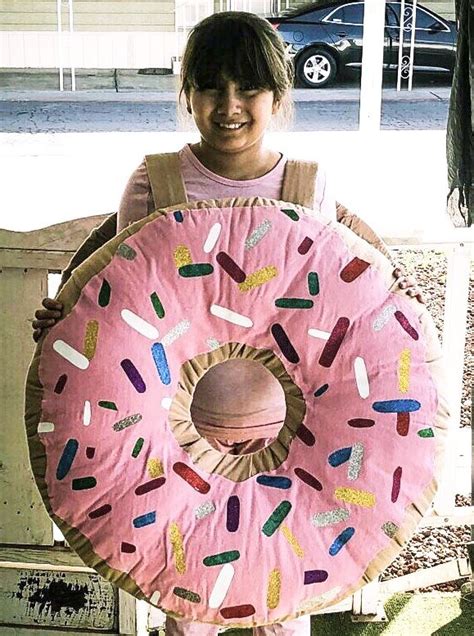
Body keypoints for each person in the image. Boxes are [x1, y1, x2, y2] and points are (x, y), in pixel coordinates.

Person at [31, 11, 424, 635]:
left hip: (290, 433)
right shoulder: (157, 181)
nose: (230, 104)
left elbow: (347, 258)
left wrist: (400, 298)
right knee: (190, 608)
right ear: (189, 94)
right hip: (170, 439)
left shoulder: (305, 184)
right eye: (212, 87)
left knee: (283, 604)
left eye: (250, 88)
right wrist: (69, 309)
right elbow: (116, 258)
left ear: (279, 94)